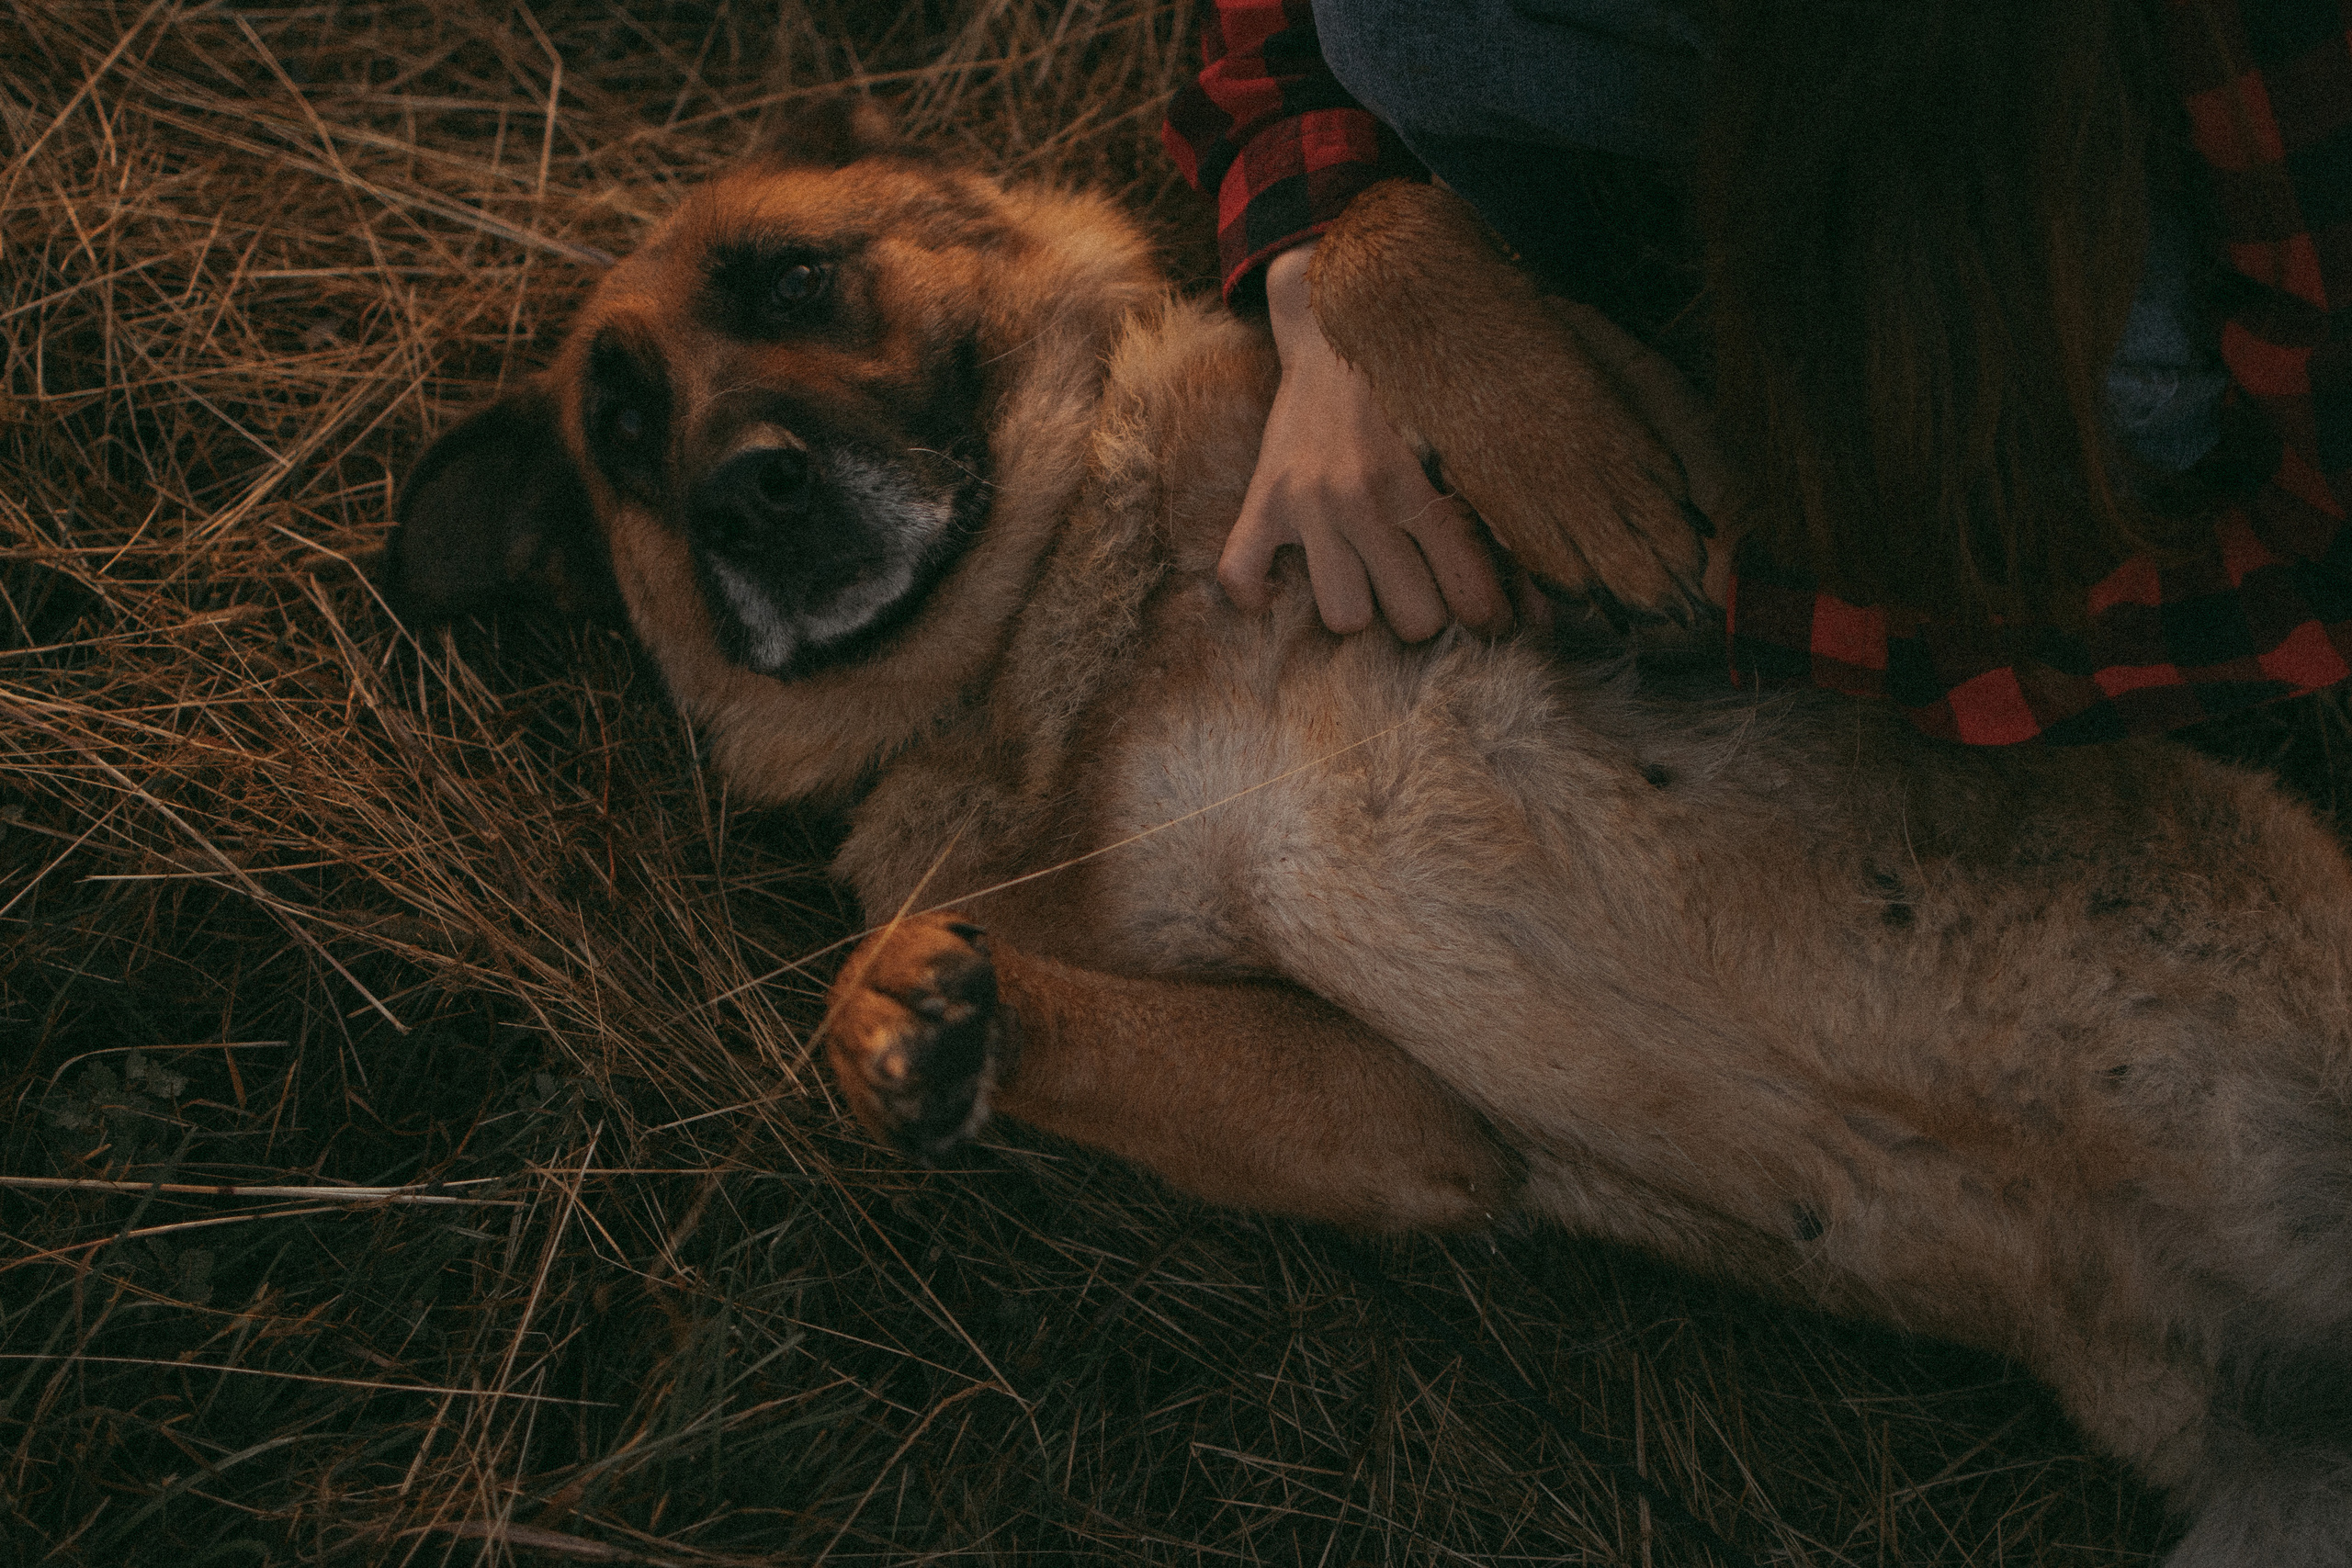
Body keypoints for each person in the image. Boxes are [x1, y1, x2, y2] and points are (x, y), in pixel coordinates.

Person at [1164, 0, 2351, 744]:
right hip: (1756, 163)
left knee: (2129, 363)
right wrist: (1342, 285)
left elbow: (2319, 557)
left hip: (2028, 379)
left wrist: (1739, 590)